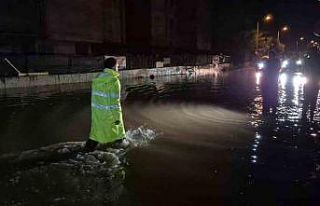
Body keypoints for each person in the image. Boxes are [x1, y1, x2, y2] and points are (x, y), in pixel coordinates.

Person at [83, 57, 126, 152]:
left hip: (97, 113)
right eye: (117, 66)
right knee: (118, 132)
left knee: (96, 133)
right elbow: (114, 103)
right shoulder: (114, 81)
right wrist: (117, 118)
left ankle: (85, 151)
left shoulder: (98, 78)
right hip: (109, 114)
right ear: (114, 67)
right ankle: (123, 148)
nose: (118, 67)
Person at [302, 44, 320, 121]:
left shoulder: (313, 58)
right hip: (312, 80)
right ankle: (308, 114)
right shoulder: (308, 58)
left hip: (314, 81)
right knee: (310, 98)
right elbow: (304, 68)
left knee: (309, 98)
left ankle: (308, 114)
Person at [261, 50, 281, 114]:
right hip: (268, 82)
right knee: (268, 97)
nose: (270, 56)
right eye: (270, 55)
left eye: (271, 55)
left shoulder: (275, 61)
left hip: (272, 82)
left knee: (271, 97)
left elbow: (277, 69)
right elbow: (264, 70)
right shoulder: (268, 61)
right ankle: (268, 109)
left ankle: (270, 110)